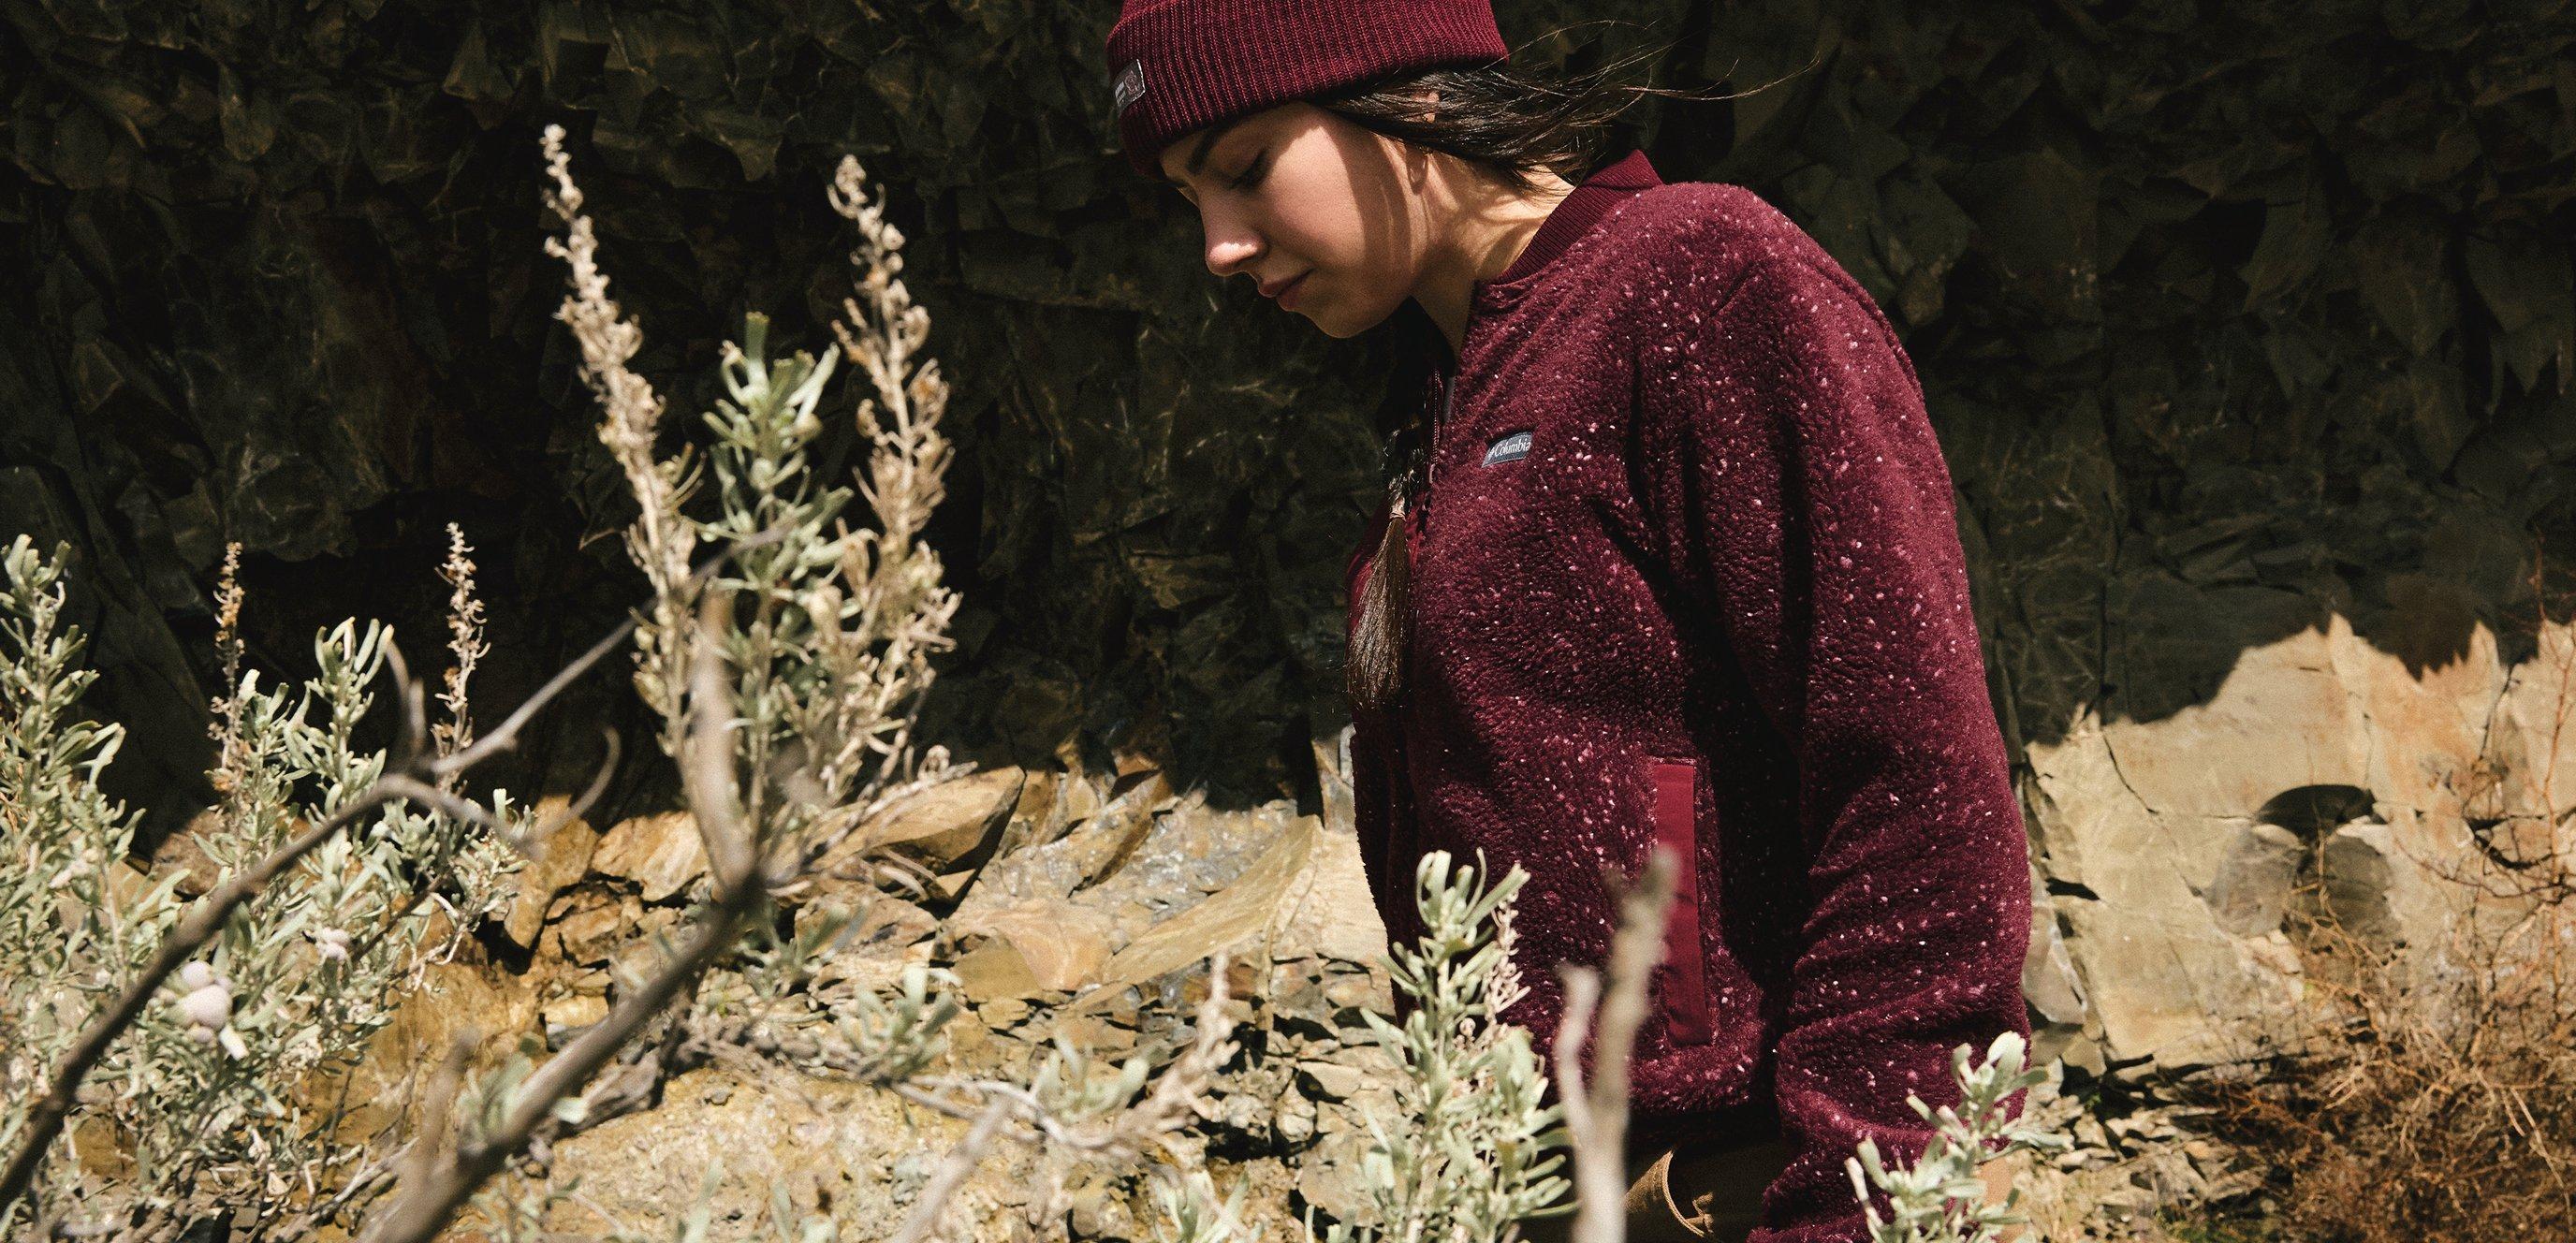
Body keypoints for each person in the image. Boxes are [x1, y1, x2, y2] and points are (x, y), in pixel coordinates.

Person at [1102, 3, 2034, 1240]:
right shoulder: (1445, 401)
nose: (1218, 245)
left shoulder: (1702, 286)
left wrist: (1857, 1204)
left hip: (1736, 1187)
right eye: (1185, 198)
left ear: (1415, 95)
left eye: (1246, 166)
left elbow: (1919, 792)